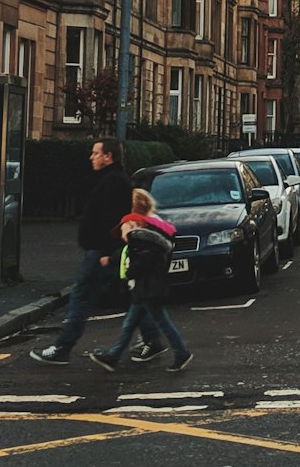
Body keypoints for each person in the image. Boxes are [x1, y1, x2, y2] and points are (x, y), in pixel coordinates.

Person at [30, 141, 161, 366]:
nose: (91, 157)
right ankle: (153, 340)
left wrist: (106, 252)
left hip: (100, 251)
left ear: (108, 156)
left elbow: (113, 221)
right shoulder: (112, 179)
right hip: (101, 250)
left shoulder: (114, 182)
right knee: (130, 296)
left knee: (82, 297)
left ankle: (63, 347)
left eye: (96, 153)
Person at [88, 189, 192, 375]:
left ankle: (181, 352)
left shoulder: (143, 240)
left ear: (133, 224)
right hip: (144, 289)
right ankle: (113, 356)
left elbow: (145, 261)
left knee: (162, 323)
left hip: (148, 289)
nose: (121, 231)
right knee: (131, 324)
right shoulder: (145, 238)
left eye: (124, 227)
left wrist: (130, 272)